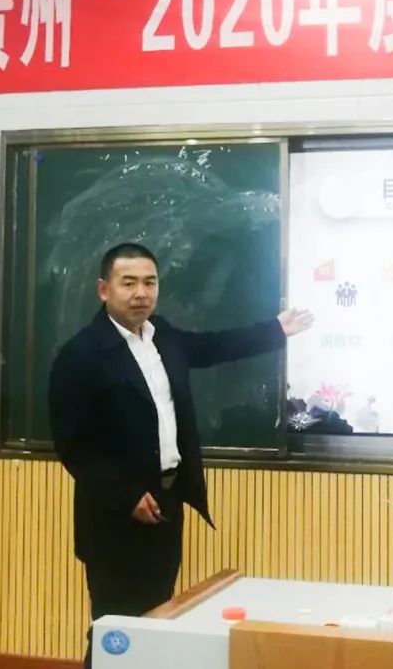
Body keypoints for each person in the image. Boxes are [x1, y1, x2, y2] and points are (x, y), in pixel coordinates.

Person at [48, 242, 314, 668]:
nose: (141, 293)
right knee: (117, 626)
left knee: (157, 617)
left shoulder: (163, 335)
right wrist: (125, 496)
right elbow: (74, 445)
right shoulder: (80, 356)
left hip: (166, 501)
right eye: (128, 283)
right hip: (115, 515)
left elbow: (213, 347)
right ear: (104, 289)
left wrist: (274, 330)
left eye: (150, 282)